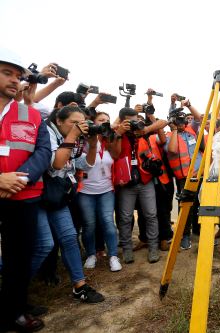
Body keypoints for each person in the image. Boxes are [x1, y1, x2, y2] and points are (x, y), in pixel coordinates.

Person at [31, 105, 105, 305]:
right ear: (59, 121)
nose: (79, 127)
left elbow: (84, 164)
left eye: (81, 123)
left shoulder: (72, 138)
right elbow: (55, 164)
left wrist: (93, 143)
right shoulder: (46, 132)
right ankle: (15, 287)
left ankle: (79, 286)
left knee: (70, 238)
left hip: (57, 196)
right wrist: (72, 135)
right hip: (38, 196)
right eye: (74, 122)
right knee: (44, 244)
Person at [0, 47, 51, 332]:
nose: (14, 80)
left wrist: (19, 179)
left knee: (18, 258)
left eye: (17, 76)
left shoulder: (30, 115)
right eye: (7, 73)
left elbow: (43, 151)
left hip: (23, 197)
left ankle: (14, 311)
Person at [112, 107, 165, 264]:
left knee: (151, 215)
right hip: (126, 183)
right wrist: (119, 133)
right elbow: (115, 154)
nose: (134, 124)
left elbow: (164, 122)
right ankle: (127, 249)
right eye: (130, 121)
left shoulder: (143, 130)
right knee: (125, 217)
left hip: (145, 180)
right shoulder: (115, 131)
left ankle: (153, 248)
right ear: (121, 120)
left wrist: (145, 129)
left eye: (136, 120)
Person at [77, 111, 122, 272]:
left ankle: (113, 256)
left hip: (106, 190)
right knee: (89, 225)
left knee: (108, 222)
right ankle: (91, 254)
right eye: (101, 120)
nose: (104, 123)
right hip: (85, 191)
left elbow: (117, 156)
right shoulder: (82, 141)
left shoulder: (108, 142)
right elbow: (79, 164)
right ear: (93, 123)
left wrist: (116, 134)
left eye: (107, 121)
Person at [166, 94, 203, 250]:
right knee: (185, 206)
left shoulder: (191, 130)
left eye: (183, 120)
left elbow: (199, 118)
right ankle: (185, 235)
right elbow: (173, 150)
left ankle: (199, 231)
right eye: (178, 120)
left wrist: (188, 105)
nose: (182, 123)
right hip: (183, 178)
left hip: (197, 175)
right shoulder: (169, 136)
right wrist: (174, 129)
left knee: (198, 204)